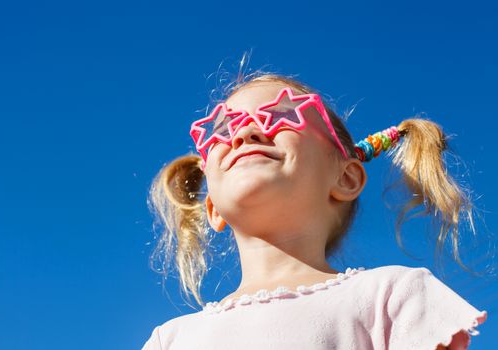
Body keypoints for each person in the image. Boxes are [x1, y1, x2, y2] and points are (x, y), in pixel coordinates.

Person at [142, 72, 488, 349]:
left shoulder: (392, 297)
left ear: (346, 177)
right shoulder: (171, 340)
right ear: (213, 208)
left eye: (280, 114)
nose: (244, 132)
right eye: (222, 128)